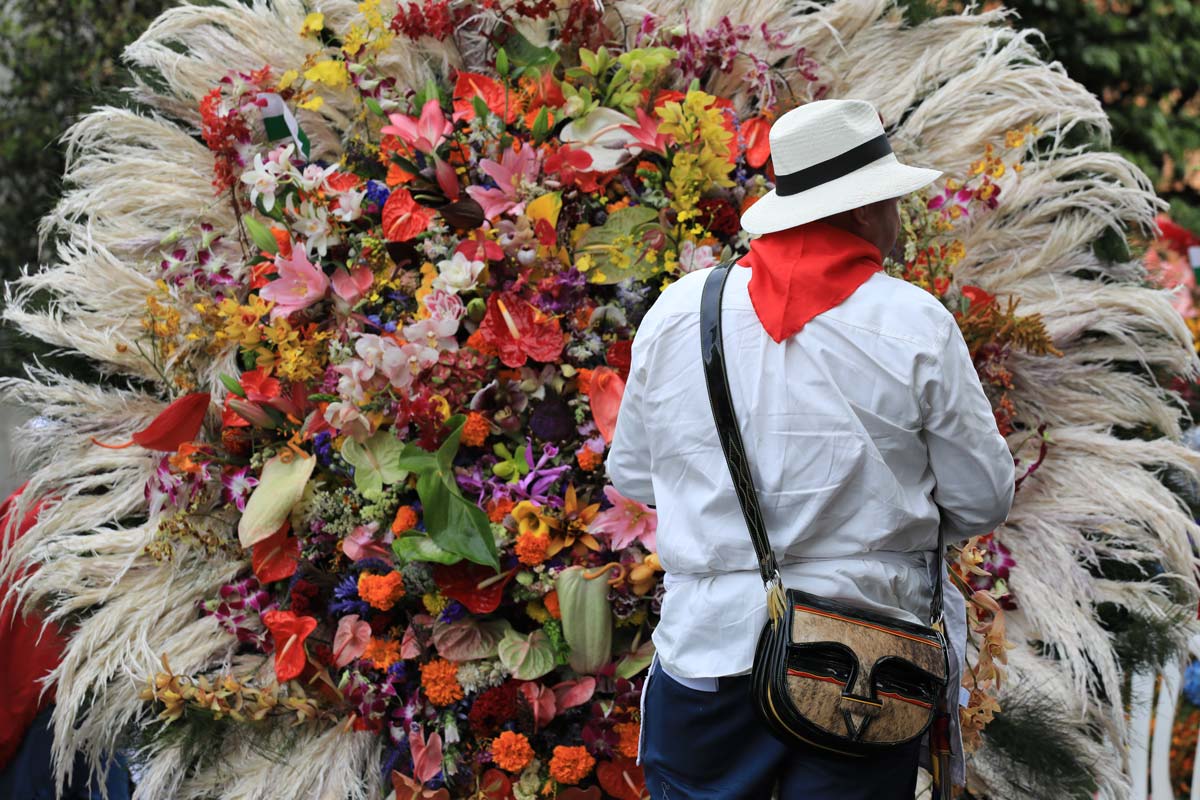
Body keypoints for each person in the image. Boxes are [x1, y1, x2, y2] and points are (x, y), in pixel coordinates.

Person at [606, 99, 1015, 799]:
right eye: (891, 201)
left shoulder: (679, 312)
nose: (898, 219)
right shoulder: (916, 325)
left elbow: (636, 476)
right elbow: (982, 500)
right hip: (861, 669)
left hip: (706, 654)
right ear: (860, 211)